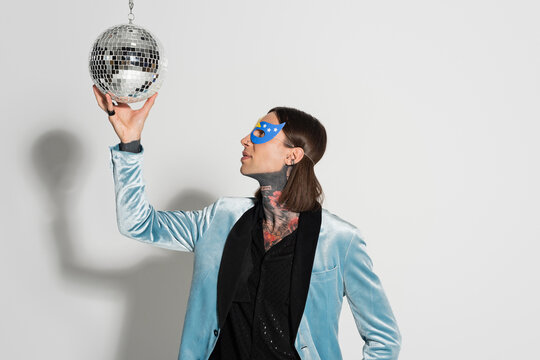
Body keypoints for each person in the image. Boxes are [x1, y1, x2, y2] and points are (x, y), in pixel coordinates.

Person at [92, 85, 402, 360]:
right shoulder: (220, 219)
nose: (245, 140)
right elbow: (138, 223)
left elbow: (384, 339)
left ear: (292, 156)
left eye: (260, 133)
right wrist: (130, 144)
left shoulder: (340, 241)